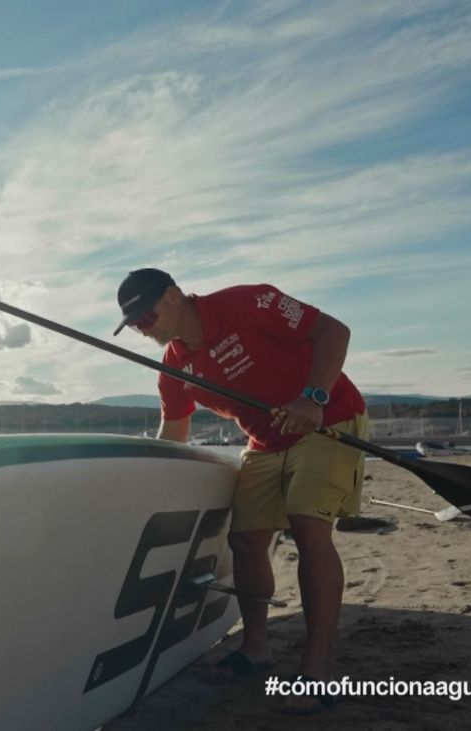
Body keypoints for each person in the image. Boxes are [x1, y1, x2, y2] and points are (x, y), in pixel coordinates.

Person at [112, 268, 368, 715]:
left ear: (172, 296)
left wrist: (314, 397)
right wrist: (138, 487)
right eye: (133, 324)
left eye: (145, 316)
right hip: (265, 441)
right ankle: (256, 650)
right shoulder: (171, 367)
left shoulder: (248, 303)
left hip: (329, 422)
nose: (141, 328)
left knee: (309, 529)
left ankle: (318, 669)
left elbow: (334, 331)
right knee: (246, 539)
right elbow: (174, 432)